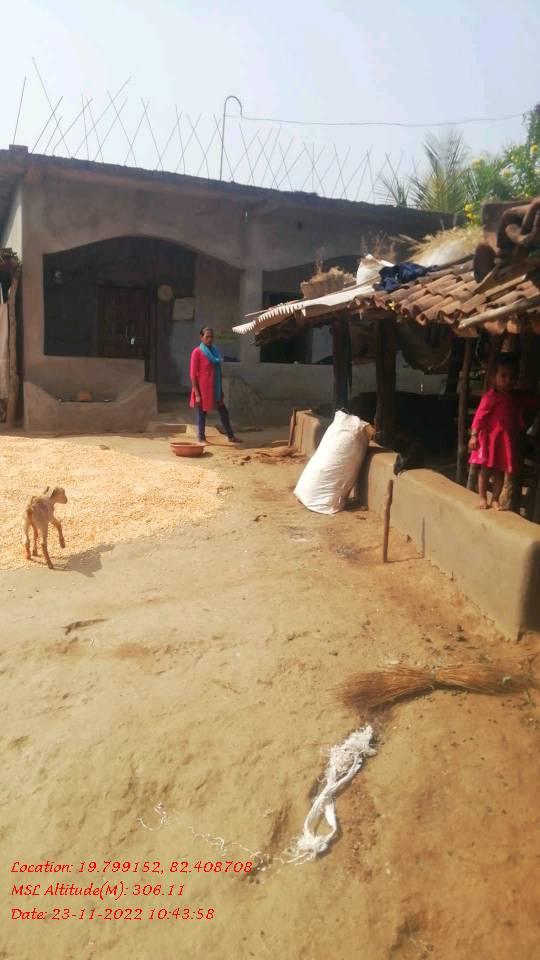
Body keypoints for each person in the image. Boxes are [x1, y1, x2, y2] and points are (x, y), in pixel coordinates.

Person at [468, 353, 524, 510]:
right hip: (490, 441)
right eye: (503, 376)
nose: (508, 380)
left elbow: (517, 417)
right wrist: (474, 436)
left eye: (512, 377)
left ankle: (495, 499)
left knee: (500, 471)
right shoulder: (491, 397)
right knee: (485, 470)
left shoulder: (514, 399)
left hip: (503, 442)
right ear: (494, 377)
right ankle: (482, 497)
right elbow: (479, 417)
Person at [189, 327, 241, 444]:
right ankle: (201, 438)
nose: (210, 339)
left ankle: (231, 436)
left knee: (223, 411)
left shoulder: (215, 351)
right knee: (202, 413)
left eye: (211, 337)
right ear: (201, 337)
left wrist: (220, 389)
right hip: (203, 389)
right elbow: (193, 375)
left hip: (216, 388)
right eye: (207, 337)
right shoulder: (197, 352)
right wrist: (197, 394)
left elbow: (217, 372)